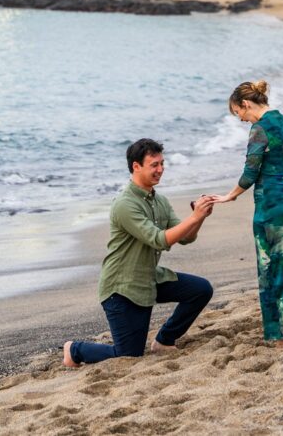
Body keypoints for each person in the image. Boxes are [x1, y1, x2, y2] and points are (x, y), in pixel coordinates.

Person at [64, 138, 214, 366]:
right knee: (129, 356)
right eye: (154, 165)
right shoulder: (125, 204)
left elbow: (186, 238)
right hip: (122, 288)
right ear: (136, 166)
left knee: (200, 289)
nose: (161, 169)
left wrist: (200, 218)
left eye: (162, 163)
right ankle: (75, 350)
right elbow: (159, 240)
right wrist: (193, 217)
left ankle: (164, 340)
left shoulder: (160, 201)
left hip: (149, 278)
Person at [211, 81, 283, 349]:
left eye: (237, 113)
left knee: (272, 271)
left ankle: (282, 342)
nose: (240, 119)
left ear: (246, 104)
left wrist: (230, 195)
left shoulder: (260, 129)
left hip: (271, 209)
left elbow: (250, 172)